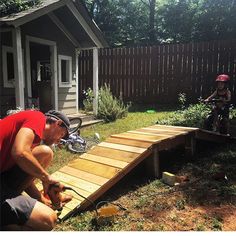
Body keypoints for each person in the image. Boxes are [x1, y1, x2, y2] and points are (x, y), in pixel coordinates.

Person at [0, 109, 72, 230]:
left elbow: (26, 169)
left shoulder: (31, 137)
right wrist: (46, 177)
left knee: (44, 153)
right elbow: (20, 152)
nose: (59, 140)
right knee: (48, 220)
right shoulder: (37, 117)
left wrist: (41, 199)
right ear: (58, 123)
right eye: (62, 134)